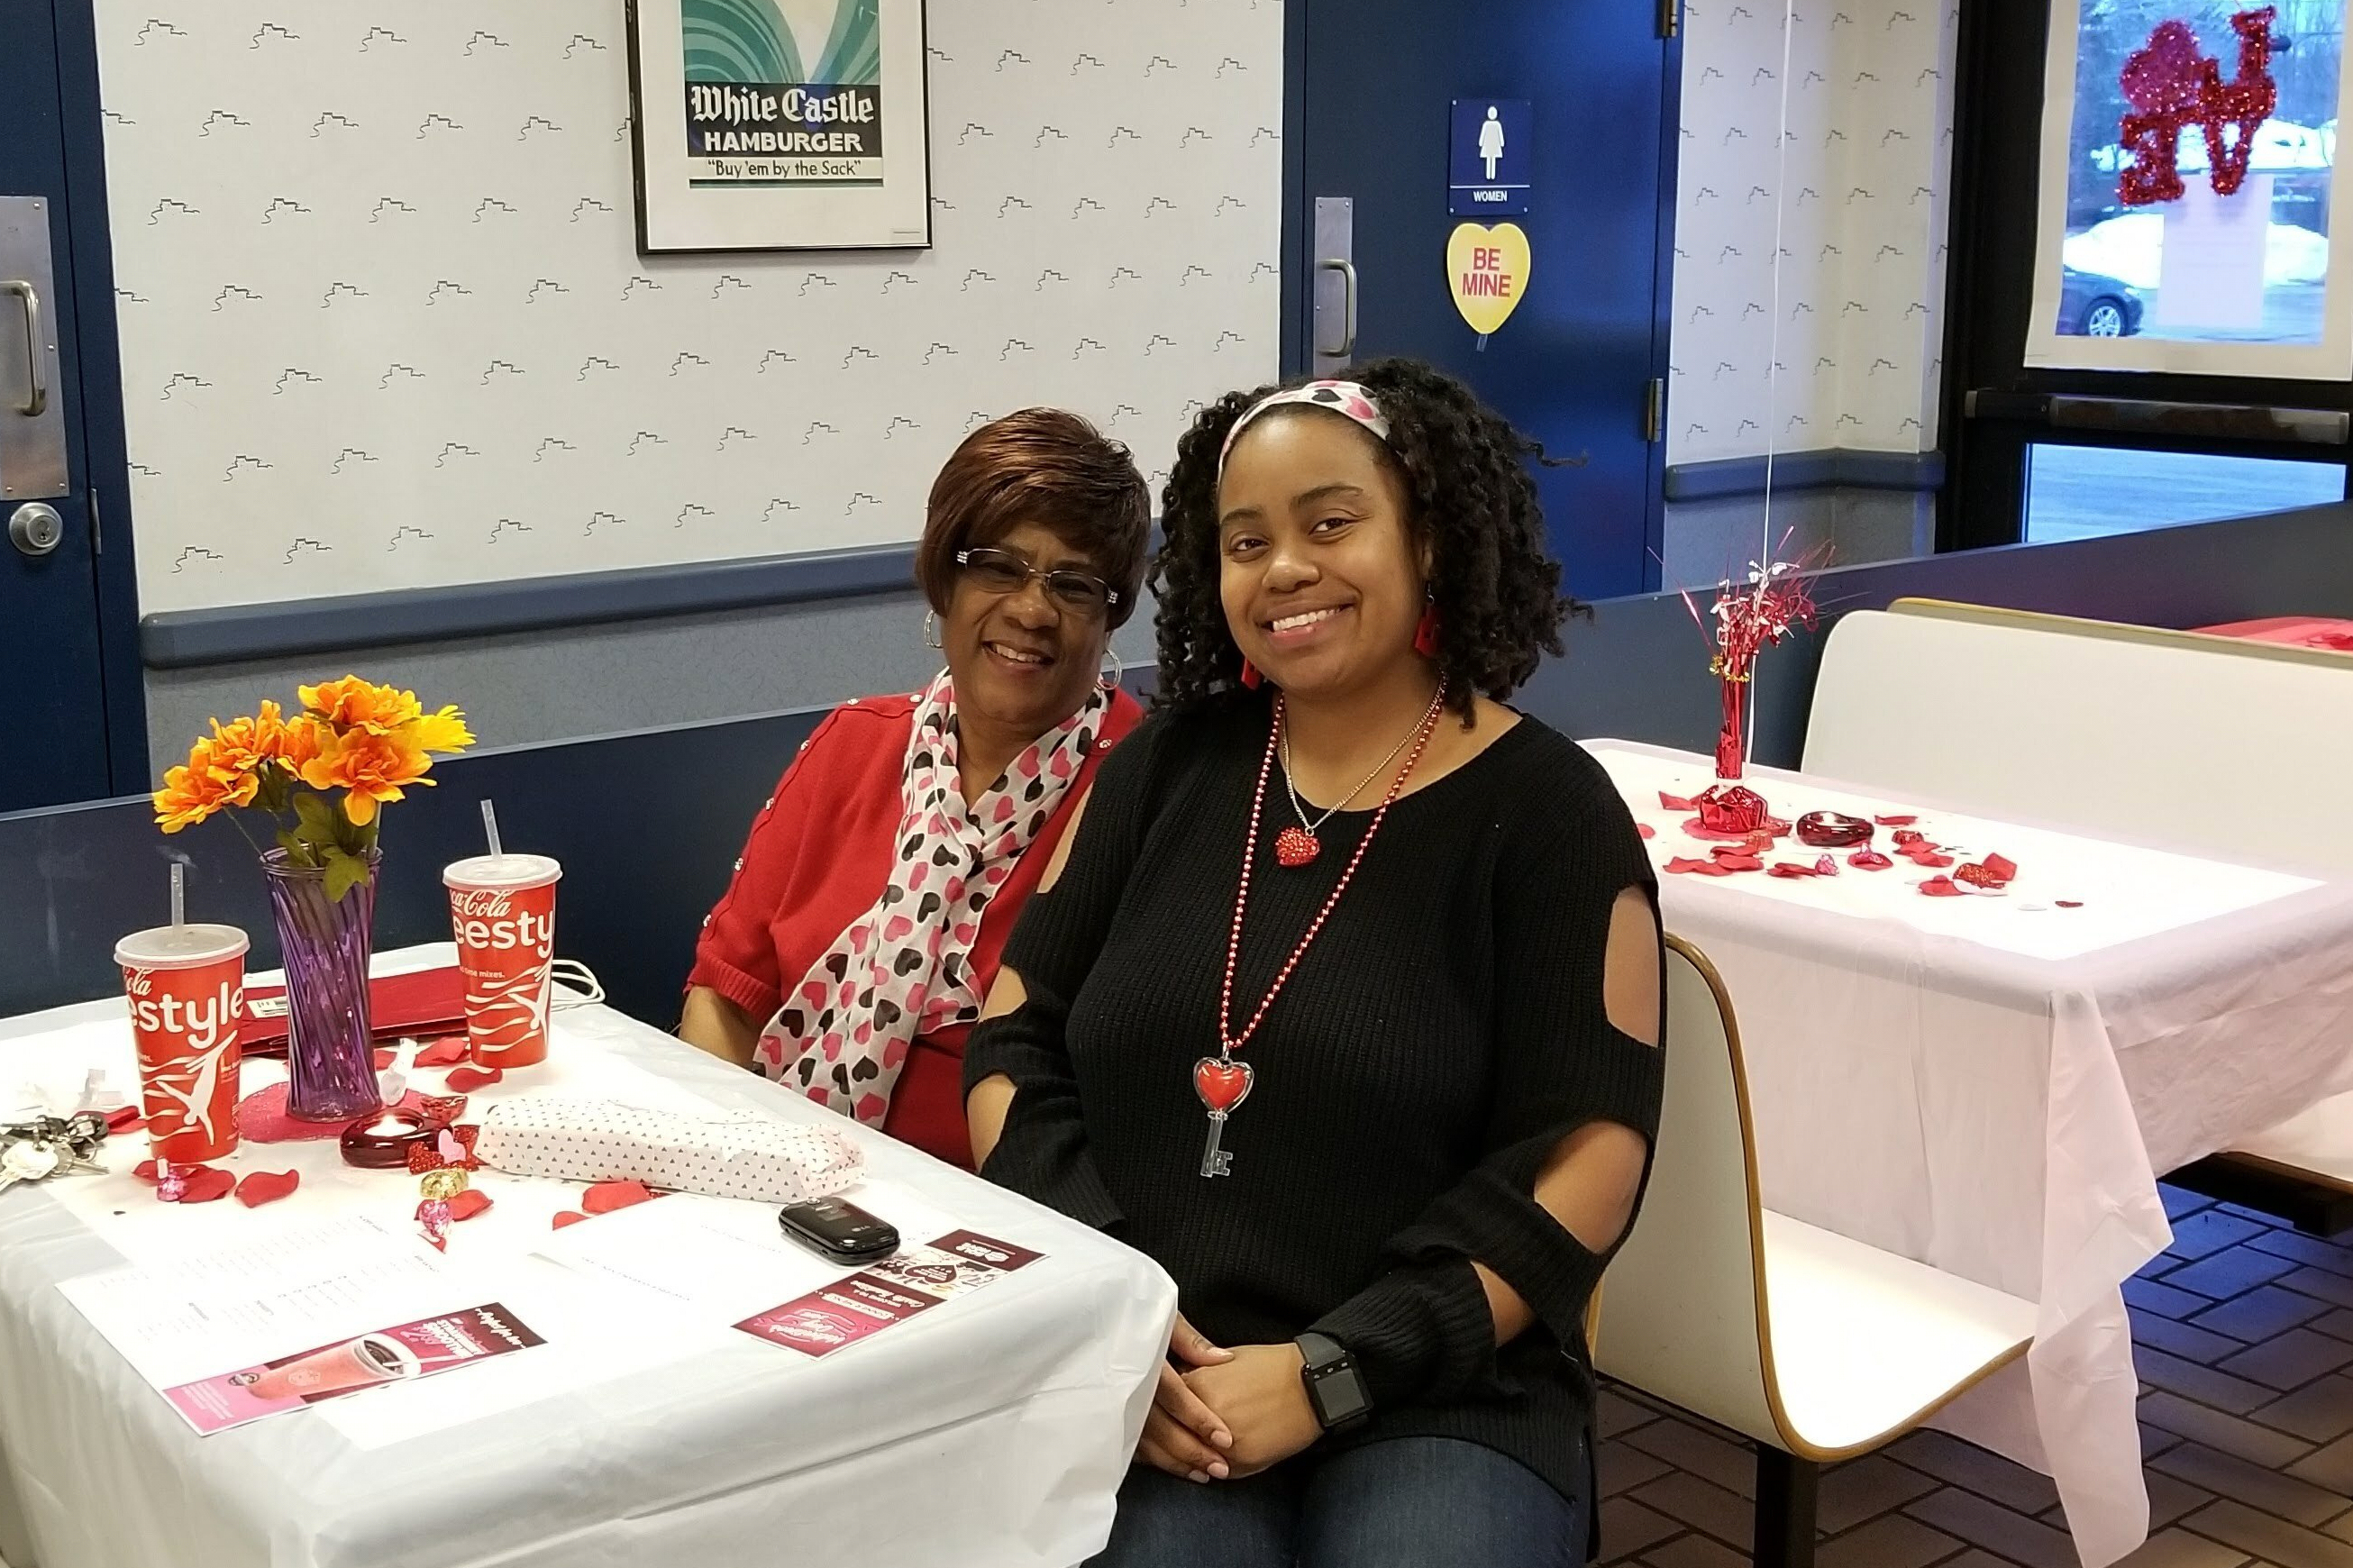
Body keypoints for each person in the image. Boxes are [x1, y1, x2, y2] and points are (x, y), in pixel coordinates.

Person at [963, 361, 1664, 1567]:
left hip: (1445, 1388)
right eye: (1245, 542)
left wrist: (1330, 1373)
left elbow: (1587, 1157)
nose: (1283, 568)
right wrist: (1123, 1311)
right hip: (1164, 1369)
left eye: (1330, 524)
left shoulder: (1552, 815)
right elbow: (1013, 1039)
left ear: (1427, 538)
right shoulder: (1162, 769)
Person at [681, 408, 1149, 1168]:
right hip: (775, 1177)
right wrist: (729, 1168)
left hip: (1007, 1210)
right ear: (945, 580)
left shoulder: (1147, 790)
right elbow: (726, 998)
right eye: (997, 567)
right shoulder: (854, 743)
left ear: (1111, 614)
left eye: (1073, 585)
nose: (1031, 610)